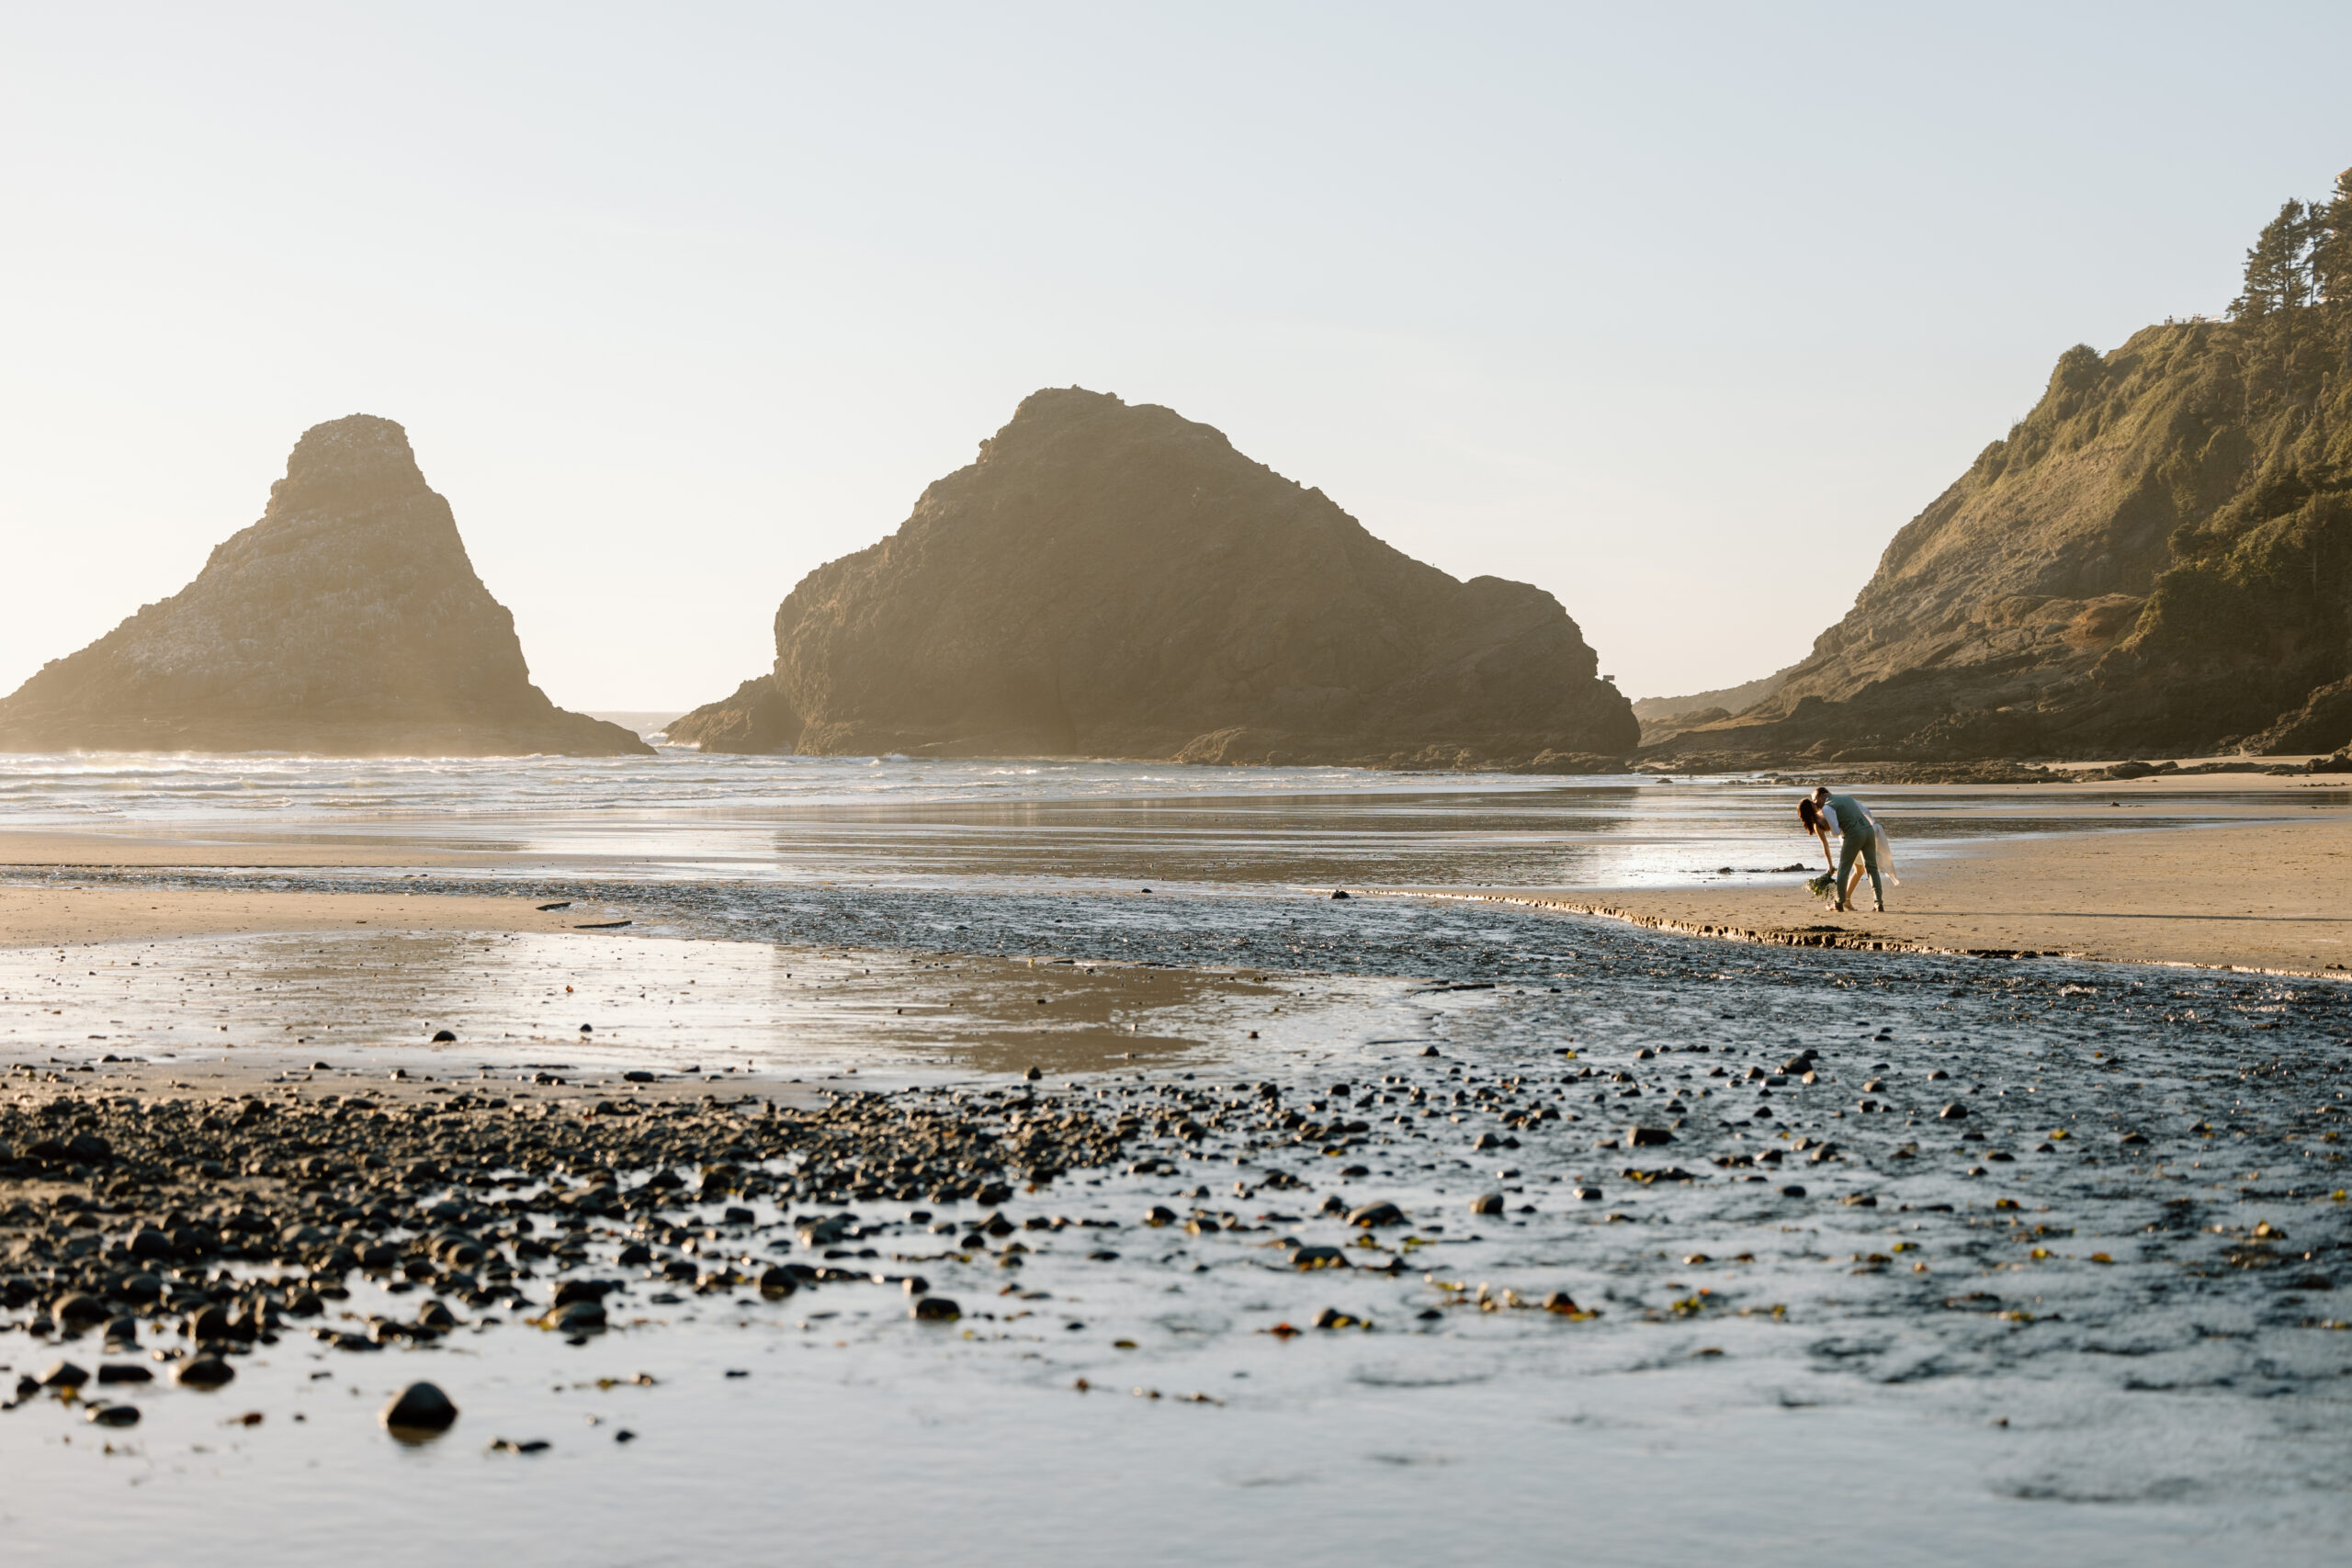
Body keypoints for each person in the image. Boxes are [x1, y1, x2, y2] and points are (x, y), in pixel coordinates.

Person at [1797, 785, 1895, 912]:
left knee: (1844, 869)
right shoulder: (1848, 798)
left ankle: (1839, 903)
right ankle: (1878, 903)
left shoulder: (1827, 808)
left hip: (1853, 835)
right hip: (1869, 832)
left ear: (1823, 796)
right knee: (1872, 868)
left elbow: (1836, 831)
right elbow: (1866, 811)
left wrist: (1835, 827)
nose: (1816, 804)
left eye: (1815, 800)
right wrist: (1874, 825)